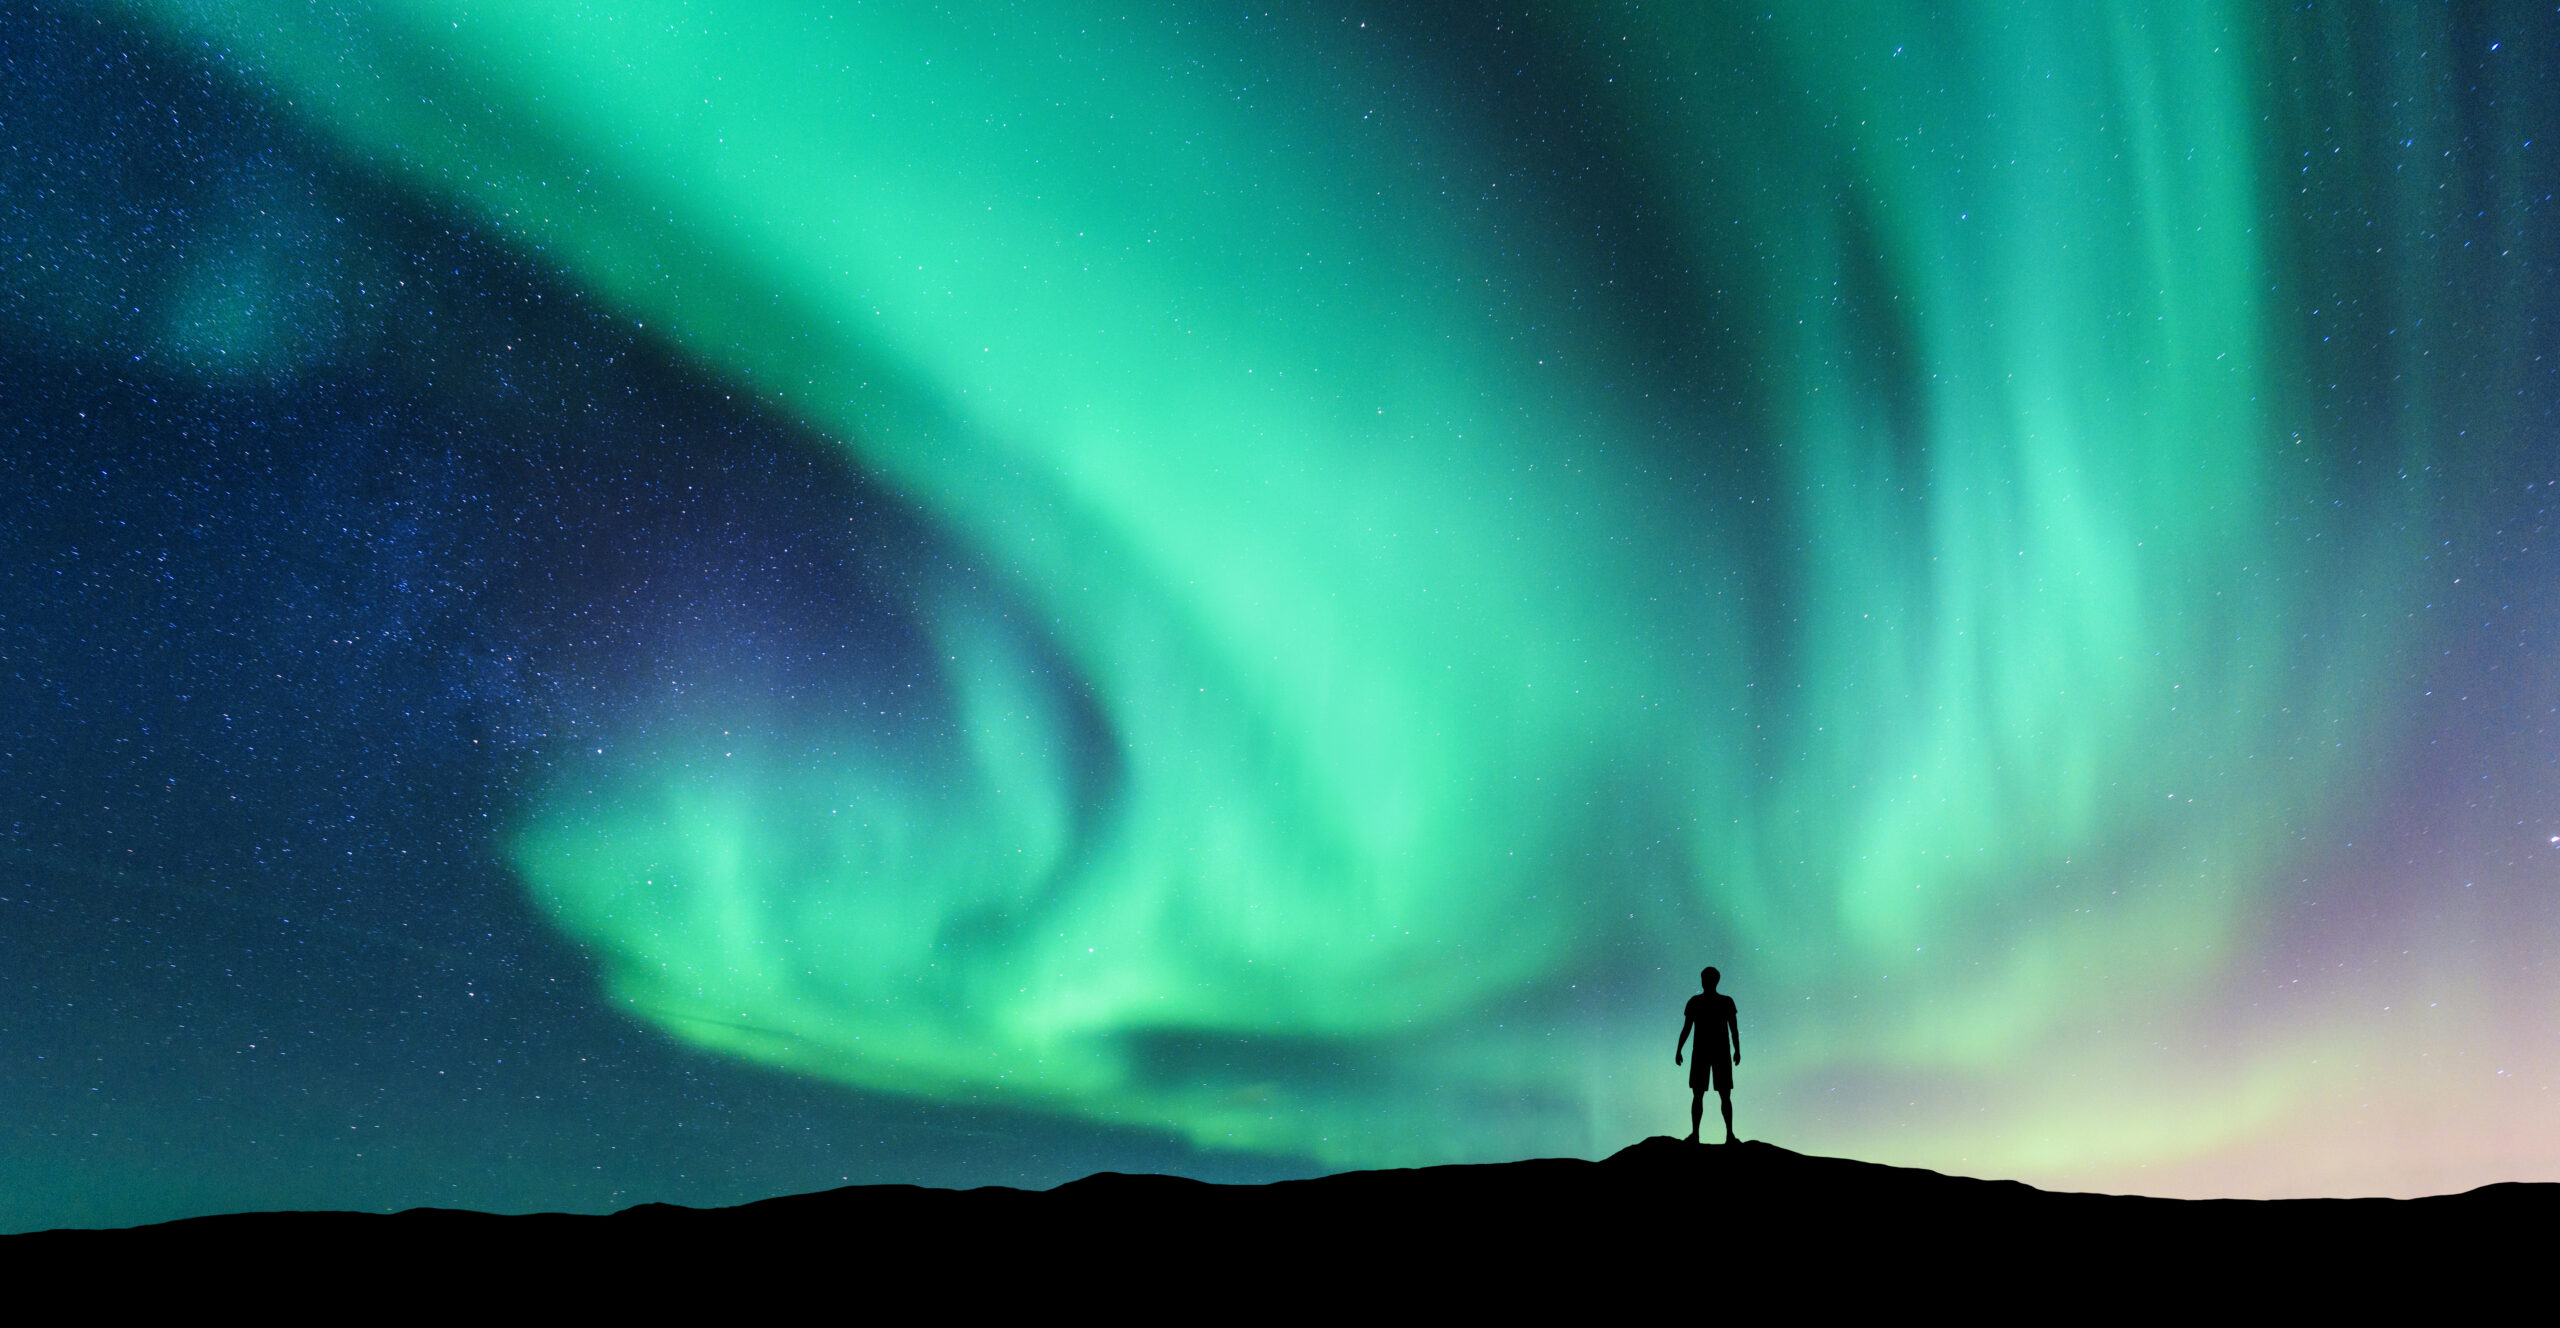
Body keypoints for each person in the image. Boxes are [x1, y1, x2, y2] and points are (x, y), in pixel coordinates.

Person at [1675, 966, 1740, 1144]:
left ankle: (1726, 1134)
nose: (1705, 982)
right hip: (1711, 1053)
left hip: (1712, 1052)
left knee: (1719, 1095)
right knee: (1702, 1094)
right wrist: (1679, 1048)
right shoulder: (1714, 1002)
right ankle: (1703, 1134)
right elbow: (1687, 1028)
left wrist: (1737, 1049)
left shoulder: (1708, 1002)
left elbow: (1733, 1028)